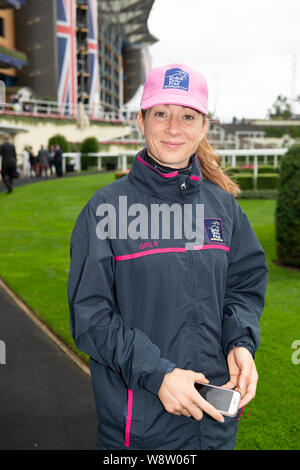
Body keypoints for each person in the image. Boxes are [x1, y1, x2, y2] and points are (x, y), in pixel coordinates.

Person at [67, 63, 268, 450]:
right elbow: (90, 316)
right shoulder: (105, 209)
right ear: (141, 122)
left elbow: (244, 286)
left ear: (204, 126)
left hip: (214, 422)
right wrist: (159, 375)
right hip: (139, 428)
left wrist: (241, 342)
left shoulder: (224, 207)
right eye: (161, 113)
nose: (174, 127)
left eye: (187, 116)